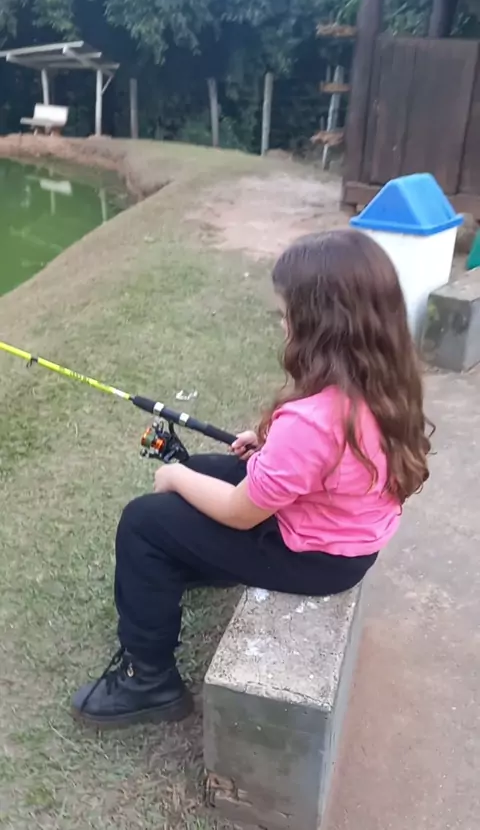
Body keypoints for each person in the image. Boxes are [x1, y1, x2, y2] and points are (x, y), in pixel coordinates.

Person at [72, 229, 432, 728]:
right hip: (343, 535)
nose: (282, 322)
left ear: (320, 326)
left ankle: (149, 681)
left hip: (314, 559)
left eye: (288, 313)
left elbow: (240, 513)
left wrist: (172, 476)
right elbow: (328, 460)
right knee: (203, 470)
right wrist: (268, 447)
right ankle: (193, 565)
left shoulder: (312, 423)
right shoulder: (385, 381)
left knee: (144, 521)